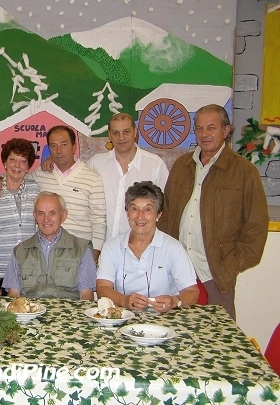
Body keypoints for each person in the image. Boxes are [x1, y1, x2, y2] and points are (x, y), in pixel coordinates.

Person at [158, 104, 268, 319]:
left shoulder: (244, 172)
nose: (204, 134)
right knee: (174, 333)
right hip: (176, 274)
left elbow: (256, 226)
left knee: (219, 335)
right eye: (199, 128)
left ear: (225, 131)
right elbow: (166, 214)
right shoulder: (181, 165)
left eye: (211, 127)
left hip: (215, 276)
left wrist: (231, 265)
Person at [0, 125, 106, 263]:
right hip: (44, 256)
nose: (59, 151)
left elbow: (99, 221)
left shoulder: (92, 178)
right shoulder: (40, 174)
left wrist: (94, 254)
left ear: (74, 147)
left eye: (64, 145)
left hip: (79, 253)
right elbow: (16, 177)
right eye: (53, 146)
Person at [97, 181, 199, 313]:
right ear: (127, 213)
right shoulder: (111, 247)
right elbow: (102, 288)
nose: (140, 216)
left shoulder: (173, 248)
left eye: (147, 209)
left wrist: (174, 301)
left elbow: (192, 292)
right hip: (122, 316)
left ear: (158, 214)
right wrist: (124, 301)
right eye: (134, 209)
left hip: (165, 318)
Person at [86, 113, 168, 240]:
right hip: (102, 244)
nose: (121, 137)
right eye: (116, 133)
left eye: (126, 132)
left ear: (135, 132)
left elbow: (165, 207)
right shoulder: (95, 164)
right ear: (109, 135)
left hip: (141, 245)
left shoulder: (155, 165)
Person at [3, 191, 96, 299]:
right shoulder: (20, 251)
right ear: (35, 216)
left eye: (52, 213)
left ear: (64, 215)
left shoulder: (81, 249)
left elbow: (86, 295)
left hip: (67, 308)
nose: (46, 220)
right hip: (30, 308)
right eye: (41, 213)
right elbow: (14, 294)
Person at [0, 138, 40, 278]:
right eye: (12, 159)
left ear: (28, 167)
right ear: (4, 163)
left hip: (29, 268)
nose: (17, 165)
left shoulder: (35, 189)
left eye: (23, 161)